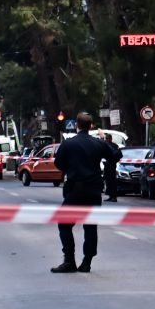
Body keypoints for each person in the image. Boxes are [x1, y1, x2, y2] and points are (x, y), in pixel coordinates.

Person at [52, 112, 121, 273]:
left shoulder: (69, 144)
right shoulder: (98, 143)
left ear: (77, 125)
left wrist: (71, 168)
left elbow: (58, 163)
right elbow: (116, 155)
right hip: (94, 190)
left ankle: (69, 260)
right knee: (90, 226)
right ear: (91, 126)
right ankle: (87, 262)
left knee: (64, 224)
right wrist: (105, 140)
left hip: (75, 189)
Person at [96, 130, 121, 202]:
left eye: (107, 138)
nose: (107, 140)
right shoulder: (110, 145)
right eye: (106, 139)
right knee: (108, 181)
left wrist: (113, 160)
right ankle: (111, 196)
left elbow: (118, 155)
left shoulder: (112, 146)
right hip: (108, 164)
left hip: (111, 165)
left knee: (112, 181)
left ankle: (113, 196)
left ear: (110, 139)